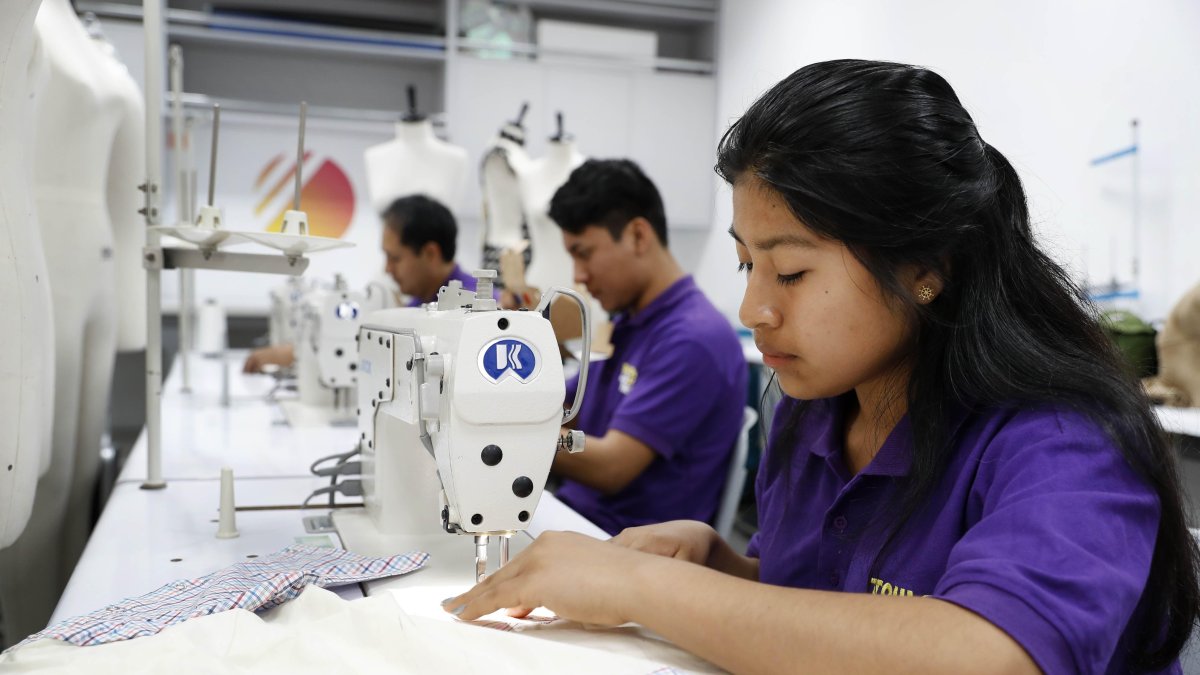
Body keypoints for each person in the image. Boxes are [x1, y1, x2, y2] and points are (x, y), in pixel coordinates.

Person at [444, 60, 1200, 674]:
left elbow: (991, 655)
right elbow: (832, 608)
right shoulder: (817, 413)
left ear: (926, 266)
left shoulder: (1066, 439)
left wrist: (648, 587)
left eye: (791, 273)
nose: (754, 309)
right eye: (746, 265)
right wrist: (722, 568)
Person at [547, 158, 747, 536]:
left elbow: (611, 468)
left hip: (625, 545)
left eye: (583, 253)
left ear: (638, 236)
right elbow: (563, 409)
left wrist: (511, 432)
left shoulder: (693, 339)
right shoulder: (630, 322)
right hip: (577, 520)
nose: (578, 276)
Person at [244, 194, 484, 372]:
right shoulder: (419, 303)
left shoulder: (476, 310)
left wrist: (288, 354)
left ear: (430, 253)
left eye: (395, 258)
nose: (387, 269)